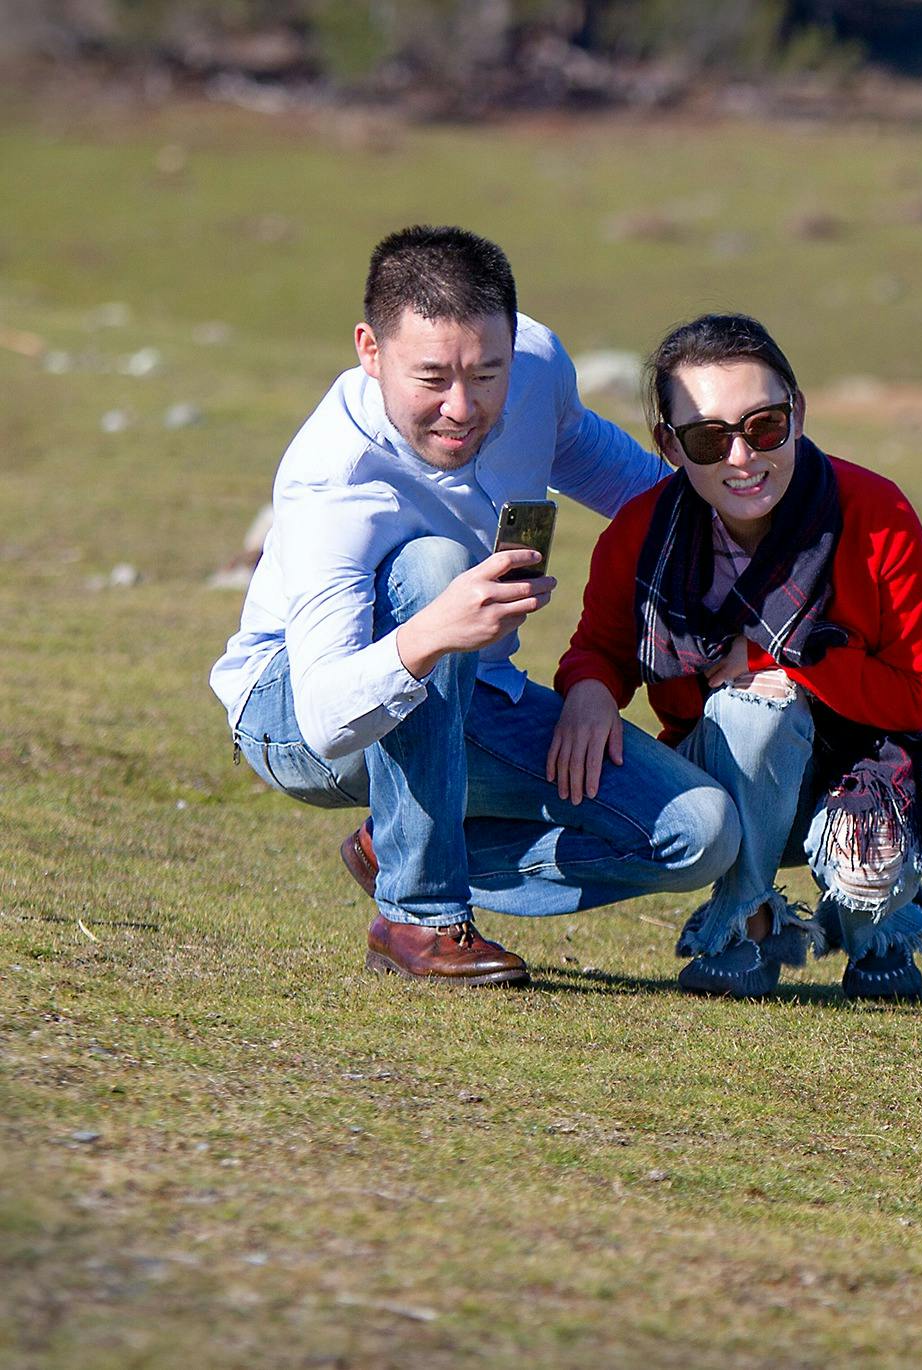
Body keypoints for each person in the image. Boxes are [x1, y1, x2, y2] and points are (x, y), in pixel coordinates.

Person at [210, 225, 741, 986]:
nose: (462, 407)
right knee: (435, 566)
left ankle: (395, 841)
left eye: (485, 375)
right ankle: (418, 913)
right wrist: (432, 631)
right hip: (293, 709)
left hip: (476, 692)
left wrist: (731, 528)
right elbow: (326, 718)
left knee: (699, 832)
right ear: (369, 349)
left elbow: (597, 459)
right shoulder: (333, 479)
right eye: (431, 378)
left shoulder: (533, 367)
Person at [552, 313, 922, 1001]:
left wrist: (785, 655)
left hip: (876, 763)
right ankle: (746, 922)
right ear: (668, 445)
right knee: (755, 706)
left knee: (861, 861)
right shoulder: (641, 533)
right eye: (707, 438)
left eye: (764, 426)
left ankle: (878, 927)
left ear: (797, 412)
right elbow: (597, 651)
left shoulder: (876, 512)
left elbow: (920, 698)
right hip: (737, 775)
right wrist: (589, 690)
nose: (742, 458)